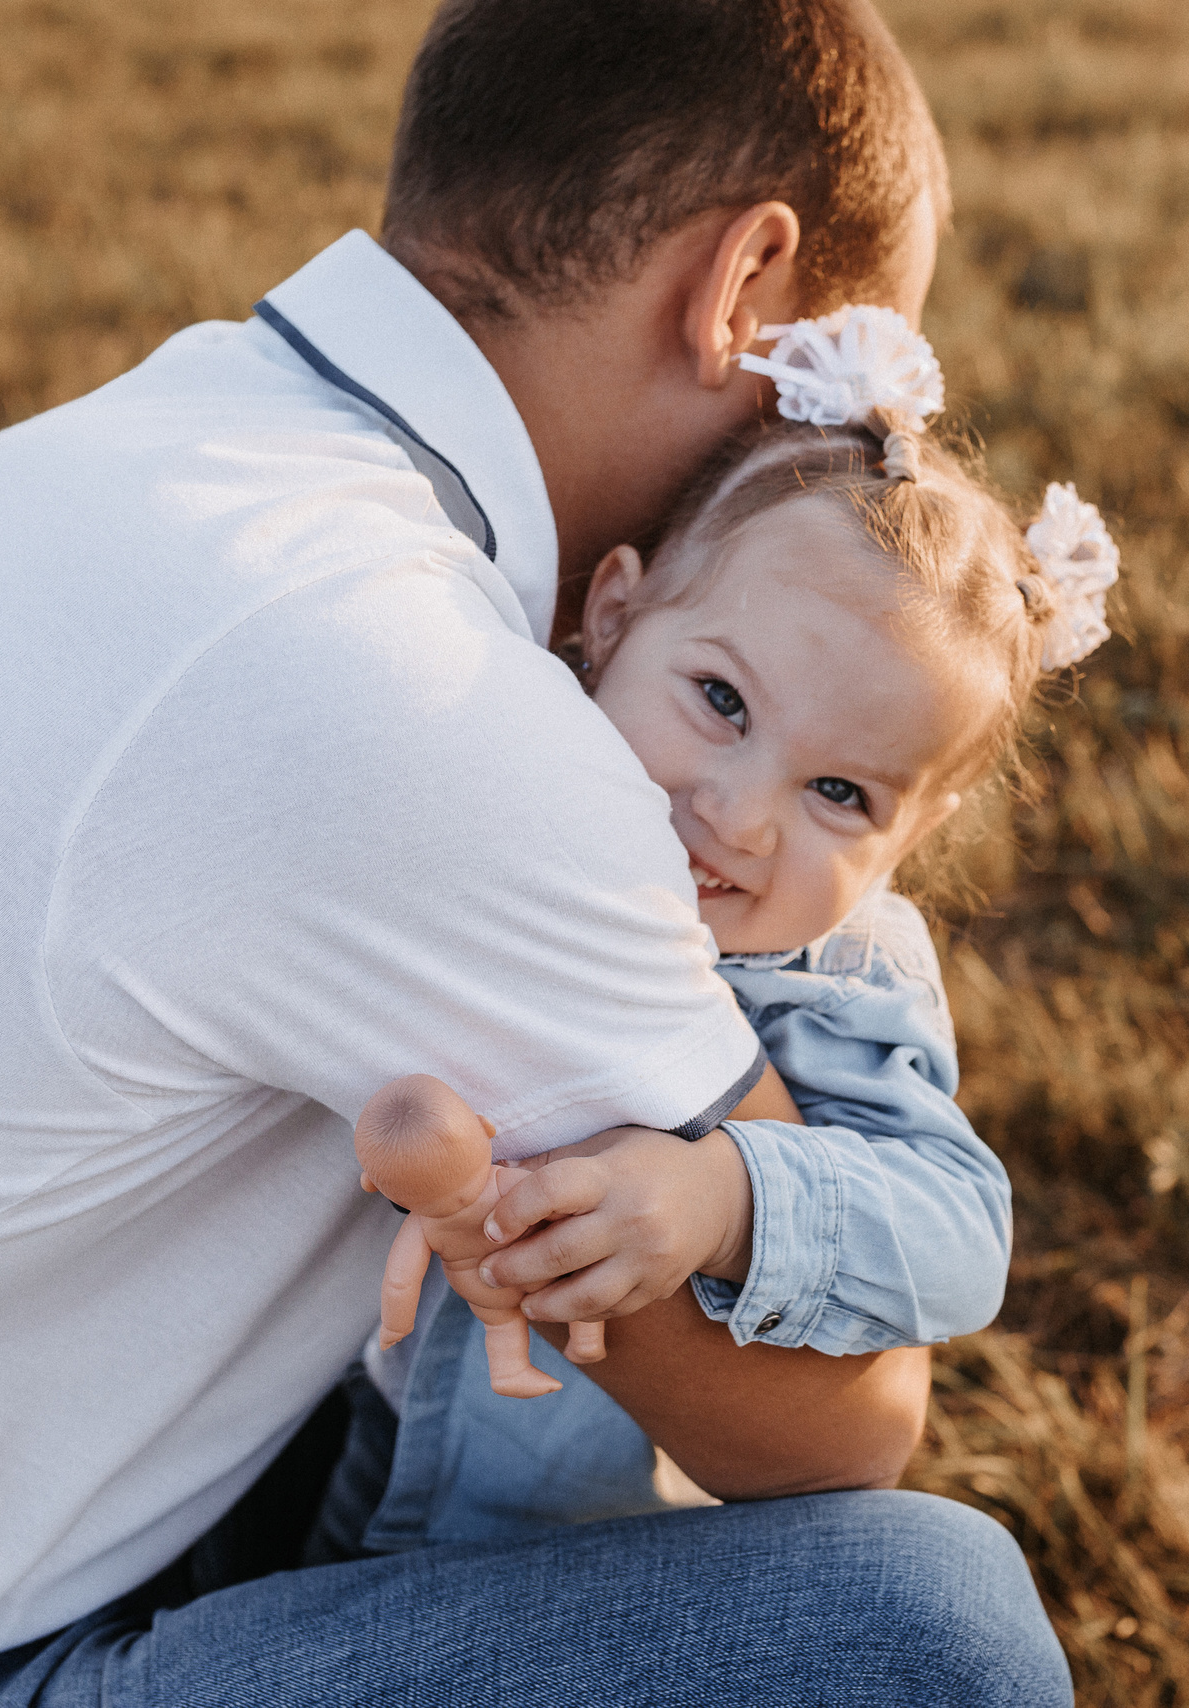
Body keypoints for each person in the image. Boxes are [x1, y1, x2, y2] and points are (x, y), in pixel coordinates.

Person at [0, 0, 1073, 1703]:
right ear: (740, 290)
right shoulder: (420, 691)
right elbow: (835, 1421)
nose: (814, 477)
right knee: (916, 1631)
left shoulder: (143, 457)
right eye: (834, 391)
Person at [322, 316, 1124, 1556]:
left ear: (919, 832)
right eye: (721, 701)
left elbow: (960, 1230)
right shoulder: (498, 808)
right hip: (350, 1439)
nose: (739, 817)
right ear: (617, 613)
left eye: (841, 795)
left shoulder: (839, 975)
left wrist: (728, 1192)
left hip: (588, 1531)